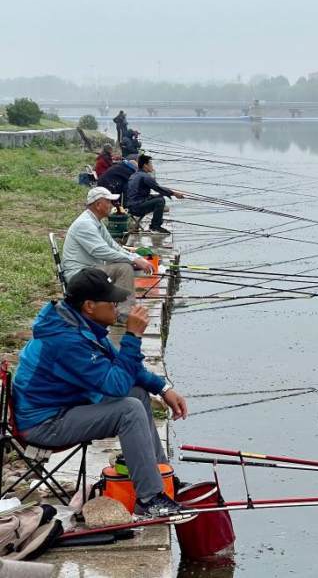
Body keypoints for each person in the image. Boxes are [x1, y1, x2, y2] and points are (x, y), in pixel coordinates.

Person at [13, 268, 188, 517]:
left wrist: (163, 388)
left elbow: (124, 368)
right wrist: (132, 336)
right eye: (112, 302)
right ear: (90, 306)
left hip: (64, 408)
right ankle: (150, 500)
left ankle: (163, 479)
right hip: (44, 424)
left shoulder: (80, 325)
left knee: (137, 393)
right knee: (129, 410)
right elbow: (116, 385)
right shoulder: (66, 340)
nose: (117, 307)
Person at [61, 187, 153, 319]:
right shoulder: (85, 224)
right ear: (98, 205)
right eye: (108, 202)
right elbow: (102, 251)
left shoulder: (96, 222)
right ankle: (124, 314)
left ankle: (117, 308)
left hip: (90, 271)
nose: (112, 205)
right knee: (124, 268)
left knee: (128, 265)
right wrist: (132, 260)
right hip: (78, 276)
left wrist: (136, 258)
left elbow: (113, 246)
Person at [127, 155, 184, 235]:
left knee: (159, 197)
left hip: (132, 205)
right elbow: (158, 188)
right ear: (145, 165)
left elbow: (156, 189)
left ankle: (156, 223)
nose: (152, 166)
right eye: (150, 164)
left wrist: (171, 193)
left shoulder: (135, 175)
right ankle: (155, 226)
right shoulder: (145, 176)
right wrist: (174, 194)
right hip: (137, 207)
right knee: (160, 201)